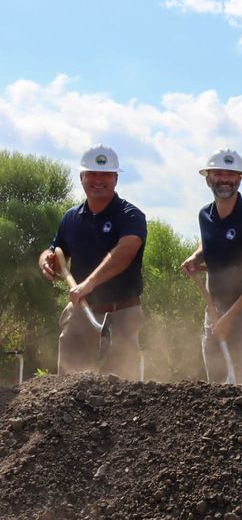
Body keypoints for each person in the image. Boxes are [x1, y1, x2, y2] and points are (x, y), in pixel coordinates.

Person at [37, 145, 146, 379]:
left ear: (115, 179)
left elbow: (125, 252)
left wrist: (90, 283)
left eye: (105, 174)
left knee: (124, 390)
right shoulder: (71, 218)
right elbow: (56, 250)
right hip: (81, 312)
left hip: (122, 313)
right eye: (92, 174)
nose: (98, 180)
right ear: (82, 178)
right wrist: (46, 259)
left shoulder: (130, 216)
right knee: (67, 387)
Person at [181, 149, 242, 387]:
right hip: (215, 307)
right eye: (218, 173)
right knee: (217, 377)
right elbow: (210, 240)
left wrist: (230, 317)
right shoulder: (205, 215)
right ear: (208, 178)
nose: (225, 179)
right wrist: (196, 257)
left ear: (239, 179)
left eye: (231, 174)